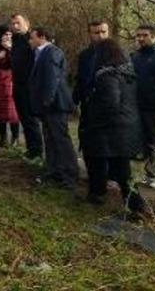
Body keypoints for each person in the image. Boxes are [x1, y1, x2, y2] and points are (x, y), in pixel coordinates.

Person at [82, 38, 148, 215]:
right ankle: (99, 193)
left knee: (115, 167)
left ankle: (135, 205)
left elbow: (110, 102)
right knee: (117, 166)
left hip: (111, 128)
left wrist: (93, 115)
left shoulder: (107, 75)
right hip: (126, 127)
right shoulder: (128, 73)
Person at [27, 27, 79, 189]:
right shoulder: (43, 53)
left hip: (55, 104)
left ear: (42, 37)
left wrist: (47, 100)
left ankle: (69, 174)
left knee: (60, 139)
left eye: (32, 37)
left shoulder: (52, 52)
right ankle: (54, 170)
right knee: (50, 138)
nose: (30, 41)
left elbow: (52, 78)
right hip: (49, 104)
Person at [131, 24, 155, 190]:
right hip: (140, 105)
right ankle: (151, 174)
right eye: (138, 35)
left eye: (144, 35)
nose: (140, 38)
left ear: (154, 36)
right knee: (147, 142)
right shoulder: (137, 56)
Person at [9, 14, 44, 163]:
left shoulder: (30, 40)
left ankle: (36, 151)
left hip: (29, 86)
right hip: (17, 84)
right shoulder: (15, 41)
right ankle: (31, 149)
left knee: (30, 120)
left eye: (19, 23)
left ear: (27, 24)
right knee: (24, 119)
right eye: (13, 23)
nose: (15, 26)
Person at [73, 21, 109, 142]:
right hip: (88, 105)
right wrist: (74, 100)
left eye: (103, 32)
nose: (100, 36)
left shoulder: (116, 54)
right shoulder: (85, 55)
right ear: (90, 34)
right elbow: (80, 79)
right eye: (96, 32)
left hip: (108, 106)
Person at [0, 25, 20, 147]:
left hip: (10, 81)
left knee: (12, 111)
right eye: (5, 34)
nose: (8, 36)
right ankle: (2, 138)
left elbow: (17, 63)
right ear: (0, 35)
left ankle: (15, 137)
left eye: (10, 34)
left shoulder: (15, 47)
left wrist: (10, 50)